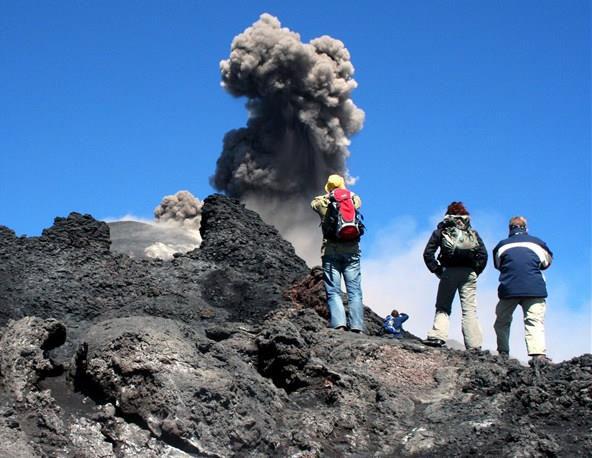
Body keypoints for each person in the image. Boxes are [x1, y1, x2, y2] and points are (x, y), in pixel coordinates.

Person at [423, 201, 487, 349]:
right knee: (469, 309)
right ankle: (474, 345)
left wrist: (437, 270)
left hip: (449, 271)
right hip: (469, 273)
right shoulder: (471, 232)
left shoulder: (442, 231)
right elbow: (483, 254)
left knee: (443, 306)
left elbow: (428, 253)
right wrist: (476, 271)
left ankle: (438, 337)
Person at [492, 216, 553, 365]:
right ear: (525, 228)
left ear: (510, 229)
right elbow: (546, 262)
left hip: (509, 289)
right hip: (534, 288)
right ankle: (538, 355)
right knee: (534, 321)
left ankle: (503, 352)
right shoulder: (537, 243)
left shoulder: (501, 245)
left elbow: (498, 264)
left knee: (502, 321)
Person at [311, 174, 364, 333]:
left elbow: (313, 203)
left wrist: (328, 196)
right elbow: (358, 202)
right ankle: (357, 326)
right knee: (354, 291)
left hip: (331, 252)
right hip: (352, 252)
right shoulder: (353, 200)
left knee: (333, 290)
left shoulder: (322, 202)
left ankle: (339, 324)